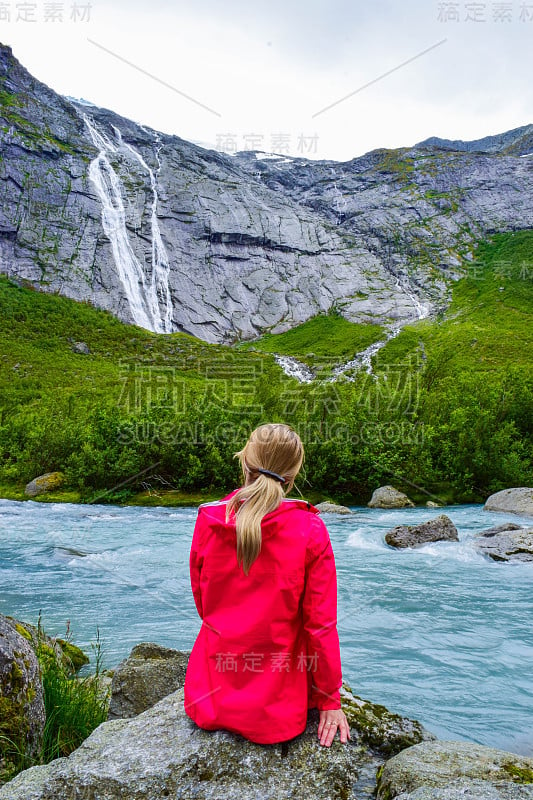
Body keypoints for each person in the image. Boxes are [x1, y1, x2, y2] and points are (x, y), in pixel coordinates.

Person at [183, 422, 351, 747]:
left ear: (244, 461)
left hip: (209, 698)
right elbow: (320, 626)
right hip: (275, 713)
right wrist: (330, 700)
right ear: (291, 478)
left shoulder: (208, 518)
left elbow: (204, 604)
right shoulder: (310, 529)